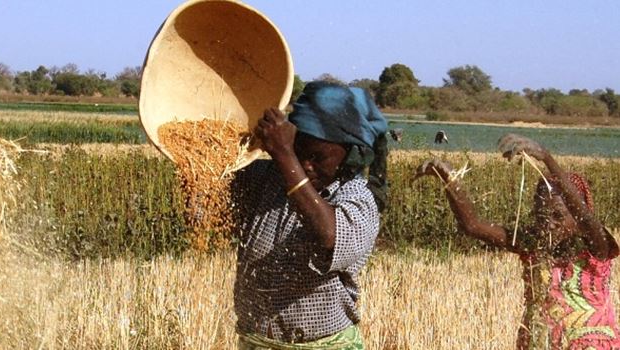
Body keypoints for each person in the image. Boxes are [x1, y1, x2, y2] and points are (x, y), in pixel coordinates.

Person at [414, 133, 620, 350]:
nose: (548, 224)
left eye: (558, 216)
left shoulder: (596, 249)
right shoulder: (532, 244)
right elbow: (472, 225)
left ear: (577, 217)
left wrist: (547, 159)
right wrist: (450, 180)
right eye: (541, 216)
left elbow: (586, 217)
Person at [229, 81, 388, 349]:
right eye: (299, 152)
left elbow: (328, 236)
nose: (305, 165)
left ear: (347, 153)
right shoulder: (266, 178)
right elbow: (209, 210)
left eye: (317, 157)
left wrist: (284, 155)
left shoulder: (358, 198)